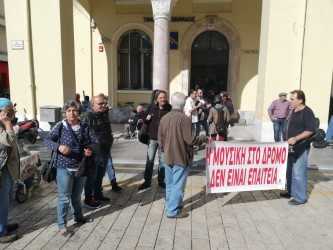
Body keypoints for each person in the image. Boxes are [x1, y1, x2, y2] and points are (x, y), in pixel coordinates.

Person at [45, 100, 93, 236]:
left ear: (79, 112)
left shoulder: (84, 126)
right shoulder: (60, 126)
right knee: (64, 197)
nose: (72, 113)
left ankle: (78, 217)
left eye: (75, 110)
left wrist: (89, 150)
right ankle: (62, 225)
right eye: (69, 111)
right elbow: (47, 140)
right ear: (65, 113)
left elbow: (89, 142)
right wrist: (59, 147)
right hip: (63, 167)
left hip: (80, 167)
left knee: (77, 196)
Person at [158, 92, 207, 218]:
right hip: (180, 156)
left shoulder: (164, 118)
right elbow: (190, 139)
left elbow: (160, 139)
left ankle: (171, 205)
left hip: (167, 156)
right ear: (183, 104)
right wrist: (203, 138)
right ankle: (172, 211)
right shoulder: (184, 118)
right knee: (178, 185)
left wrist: (164, 151)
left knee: (170, 184)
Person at [83, 94, 121, 209]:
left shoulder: (104, 114)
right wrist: (87, 149)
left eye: (104, 103)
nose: (103, 105)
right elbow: (83, 135)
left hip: (104, 150)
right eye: (100, 104)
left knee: (100, 175)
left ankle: (98, 195)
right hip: (93, 152)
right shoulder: (88, 117)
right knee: (91, 177)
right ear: (92, 105)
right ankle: (88, 199)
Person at [281, 90, 316, 205]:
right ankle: (291, 192)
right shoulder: (293, 110)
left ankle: (300, 197)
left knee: (298, 172)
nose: (290, 101)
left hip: (300, 147)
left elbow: (310, 130)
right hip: (290, 146)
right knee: (289, 171)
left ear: (300, 100)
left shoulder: (307, 112)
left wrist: (296, 138)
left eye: (292, 99)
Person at [138, 90, 172, 190]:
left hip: (163, 140)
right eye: (161, 98)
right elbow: (143, 118)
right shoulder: (151, 108)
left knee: (163, 162)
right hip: (152, 139)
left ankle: (161, 181)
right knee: (150, 160)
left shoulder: (169, 108)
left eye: (164, 97)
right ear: (157, 99)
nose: (163, 99)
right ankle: (147, 181)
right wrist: (147, 118)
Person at [0, 98, 19, 243]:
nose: (12, 113)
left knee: (5, 200)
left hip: (6, 168)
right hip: (1, 169)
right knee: (2, 201)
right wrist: (7, 124)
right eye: (9, 110)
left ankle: (4, 224)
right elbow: (9, 141)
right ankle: (1, 232)